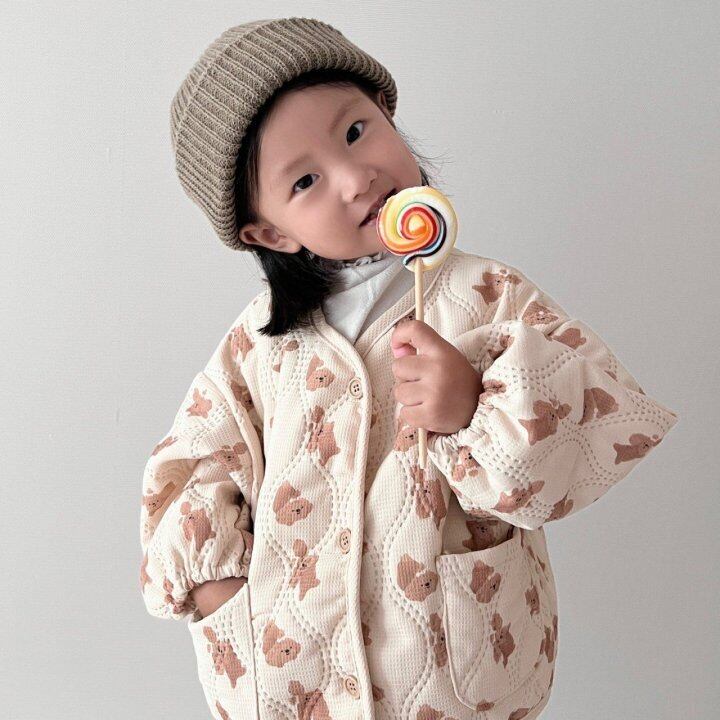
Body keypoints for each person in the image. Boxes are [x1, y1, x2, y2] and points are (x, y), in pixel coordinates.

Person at [138, 17, 679, 720]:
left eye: (355, 131)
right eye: (305, 180)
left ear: (386, 113)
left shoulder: (487, 296)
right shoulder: (259, 343)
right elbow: (198, 460)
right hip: (294, 672)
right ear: (269, 232)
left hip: (455, 659)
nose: (355, 177)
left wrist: (475, 405)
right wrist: (219, 590)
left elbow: (586, 432)